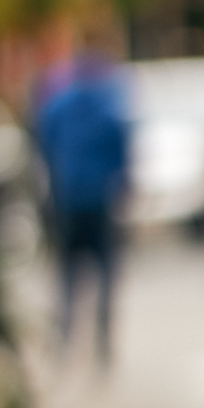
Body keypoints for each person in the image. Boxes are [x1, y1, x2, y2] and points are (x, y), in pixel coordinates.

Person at [34, 33, 131, 367]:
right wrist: (122, 183)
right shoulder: (108, 103)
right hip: (100, 199)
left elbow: (43, 141)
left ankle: (65, 342)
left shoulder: (59, 103)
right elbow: (124, 147)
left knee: (68, 277)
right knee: (105, 274)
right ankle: (103, 344)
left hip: (68, 197)